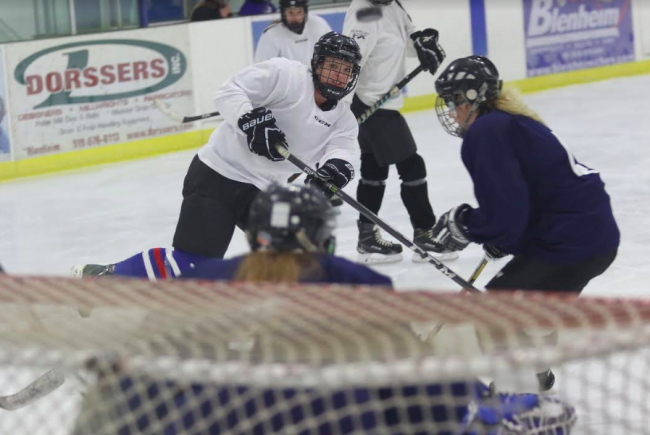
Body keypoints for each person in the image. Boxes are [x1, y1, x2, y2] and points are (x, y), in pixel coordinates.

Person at [431, 56, 619, 293]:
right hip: (589, 235)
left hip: (567, 243)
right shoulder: (510, 120)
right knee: (531, 320)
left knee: (493, 320)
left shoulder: (487, 130)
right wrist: (506, 237)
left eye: (452, 102)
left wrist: (467, 224)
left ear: (469, 97)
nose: (450, 113)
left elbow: (505, 212)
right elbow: (528, 196)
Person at [73, 184, 392, 286]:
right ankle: (106, 275)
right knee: (188, 259)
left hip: (272, 191)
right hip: (224, 177)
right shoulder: (362, 283)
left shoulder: (211, 281)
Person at [343, 0, 454, 265]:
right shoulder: (363, 13)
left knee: (374, 169)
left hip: (382, 102)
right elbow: (348, 62)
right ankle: (425, 233)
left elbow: (409, 31)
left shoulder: (393, 5)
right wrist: (345, 110)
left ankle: (367, 238)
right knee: (412, 166)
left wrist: (424, 46)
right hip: (370, 103)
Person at [254, 0, 332, 67]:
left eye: (299, 12)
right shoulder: (271, 35)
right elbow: (262, 69)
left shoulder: (319, 25)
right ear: (283, 14)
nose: (295, 18)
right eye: (290, 13)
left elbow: (334, 53)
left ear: (305, 12)